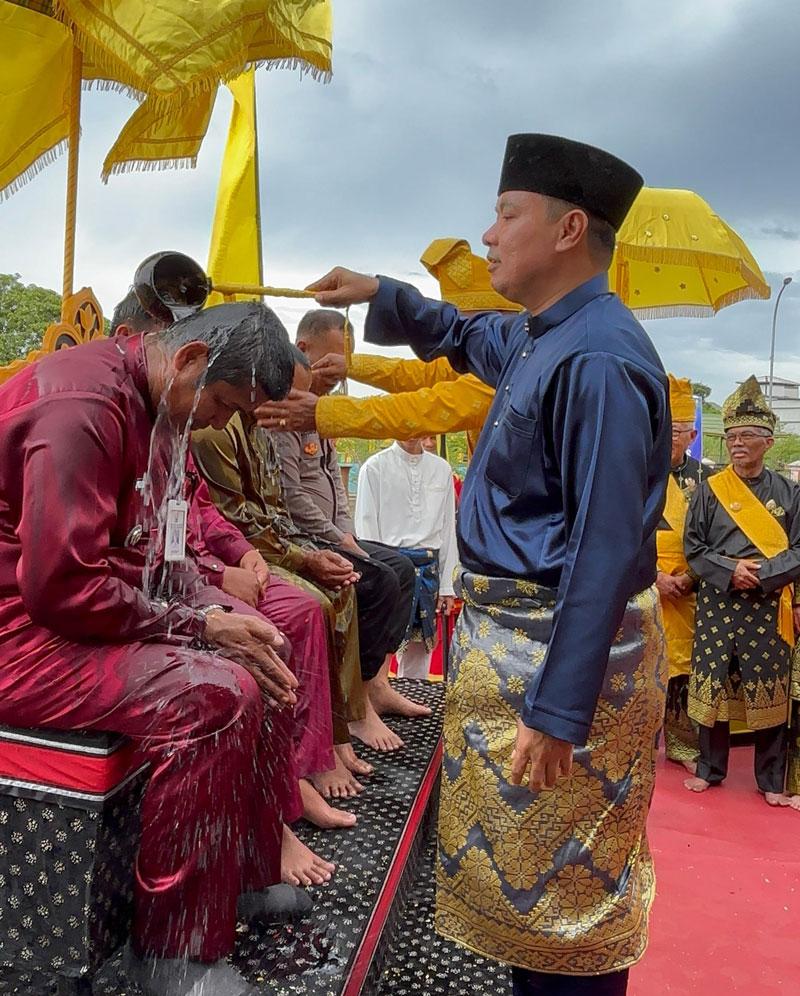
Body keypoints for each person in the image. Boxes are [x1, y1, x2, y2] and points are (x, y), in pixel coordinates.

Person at [300, 133, 669, 996]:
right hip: (517, 646)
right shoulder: (548, 336)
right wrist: (380, 293)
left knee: (565, 906)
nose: (490, 235)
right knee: (522, 897)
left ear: (570, 228)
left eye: (507, 215)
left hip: (561, 662)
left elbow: (608, 548)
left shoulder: (600, 361)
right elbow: (463, 334)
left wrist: (560, 708)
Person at [0, 301, 307, 996]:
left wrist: (214, 610)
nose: (223, 423)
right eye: (226, 405)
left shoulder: (162, 406)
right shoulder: (82, 407)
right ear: (192, 361)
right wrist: (199, 627)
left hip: (74, 600)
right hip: (19, 624)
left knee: (267, 645)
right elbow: (60, 587)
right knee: (216, 697)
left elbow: (161, 560)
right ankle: (174, 951)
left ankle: (246, 876)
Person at [114, 291, 358, 846]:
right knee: (264, 643)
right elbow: (113, 560)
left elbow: (202, 509)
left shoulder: (179, 422)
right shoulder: (122, 410)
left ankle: (305, 772)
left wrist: (243, 556)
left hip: (194, 575)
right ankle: (272, 815)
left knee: (295, 612)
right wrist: (216, 590)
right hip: (172, 587)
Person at [276, 318, 430, 730]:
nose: (334, 375)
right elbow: (292, 497)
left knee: (401, 569)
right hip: (302, 538)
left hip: (334, 533)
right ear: (303, 350)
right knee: (375, 580)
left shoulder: (322, 414)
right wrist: (339, 538)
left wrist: (348, 535)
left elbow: (336, 489)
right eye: (328, 363)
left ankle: (377, 683)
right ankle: (355, 704)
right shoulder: (284, 414)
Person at [257, 239, 518, 449]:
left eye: (466, 323)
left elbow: (424, 408)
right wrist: (350, 365)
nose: (457, 333)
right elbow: (423, 374)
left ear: (500, 320)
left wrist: (325, 413)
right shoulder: (487, 354)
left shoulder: (511, 366)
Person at [683, 376, 800, 810]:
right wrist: (731, 572)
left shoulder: (790, 493)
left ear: (768, 442)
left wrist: (764, 574)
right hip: (718, 600)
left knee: (769, 688)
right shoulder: (710, 491)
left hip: (768, 604)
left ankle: (770, 778)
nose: (736, 443)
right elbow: (693, 548)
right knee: (712, 684)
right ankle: (708, 769)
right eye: (731, 436)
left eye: (746, 436)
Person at [354, 436, 457, 680]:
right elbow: (366, 530)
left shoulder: (442, 469)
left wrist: (446, 586)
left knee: (420, 650)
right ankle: (381, 698)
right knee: (383, 646)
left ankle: (415, 702)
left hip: (428, 568)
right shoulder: (374, 467)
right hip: (391, 569)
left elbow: (448, 532)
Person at [656, 375, 705, 771]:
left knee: (684, 670)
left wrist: (690, 578)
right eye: (665, 429)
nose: (671, 438)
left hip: (690, 587)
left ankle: (683, 746)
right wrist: (654, 577)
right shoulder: (637, 470)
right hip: (642, 581)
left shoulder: (706, 482)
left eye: (678, 432)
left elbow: (715, 536)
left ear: (691, 435)